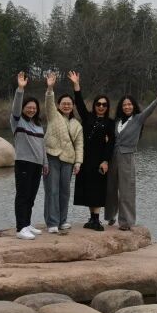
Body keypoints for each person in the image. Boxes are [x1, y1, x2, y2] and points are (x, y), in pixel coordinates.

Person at [105, 86, 157, 230]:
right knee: (110, 189)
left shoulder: (138, 119)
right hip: (113, 157)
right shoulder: (117, 121)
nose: (127, 107)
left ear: (133, 106)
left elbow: (148, 111)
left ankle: (126, 222)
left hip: (127, 158)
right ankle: (110, 216)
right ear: (121, 107)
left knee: (126, 191)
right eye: (124, 105)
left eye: (129, 104)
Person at [68, 71, 114, 231]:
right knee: (88, 188)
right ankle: (92, 219)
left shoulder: (110, 123)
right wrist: (76, 85)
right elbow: (79, 103)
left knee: (98, 189)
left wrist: (106, 160)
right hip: (85, 158)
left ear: (107, 107)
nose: (101, 107)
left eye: (104, 105)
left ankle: (96, 219)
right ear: (94, 105)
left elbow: (111, 144)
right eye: (98, 104)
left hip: (99, 160)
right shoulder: (88, 117)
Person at [42, 71, 84, 234]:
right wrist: (50, 88)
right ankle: (52, 222)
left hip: (68, 160)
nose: (66, 106)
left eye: (69, 104)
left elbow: (79, 145)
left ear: (72, 106)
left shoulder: (76, 124)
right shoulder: (53, 116)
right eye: (63, 103)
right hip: (51, 156)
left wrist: (78, 162)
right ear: (59, 105)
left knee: (65, 192)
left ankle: (62, 220)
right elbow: (48, 103)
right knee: (52, 191)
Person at [10, 72, 46, 240]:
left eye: (34, 108)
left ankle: (27, 223)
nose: (31, 109)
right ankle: (20, 228)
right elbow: (16, 107)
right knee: (22, 195)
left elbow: (42, 145)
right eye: (28, 107)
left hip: (37, 164)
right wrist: (20, 89)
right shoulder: (18, 121)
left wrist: (45, 163)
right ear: (23, 108)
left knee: (31, 196)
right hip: (24, 162)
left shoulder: (38, 125)